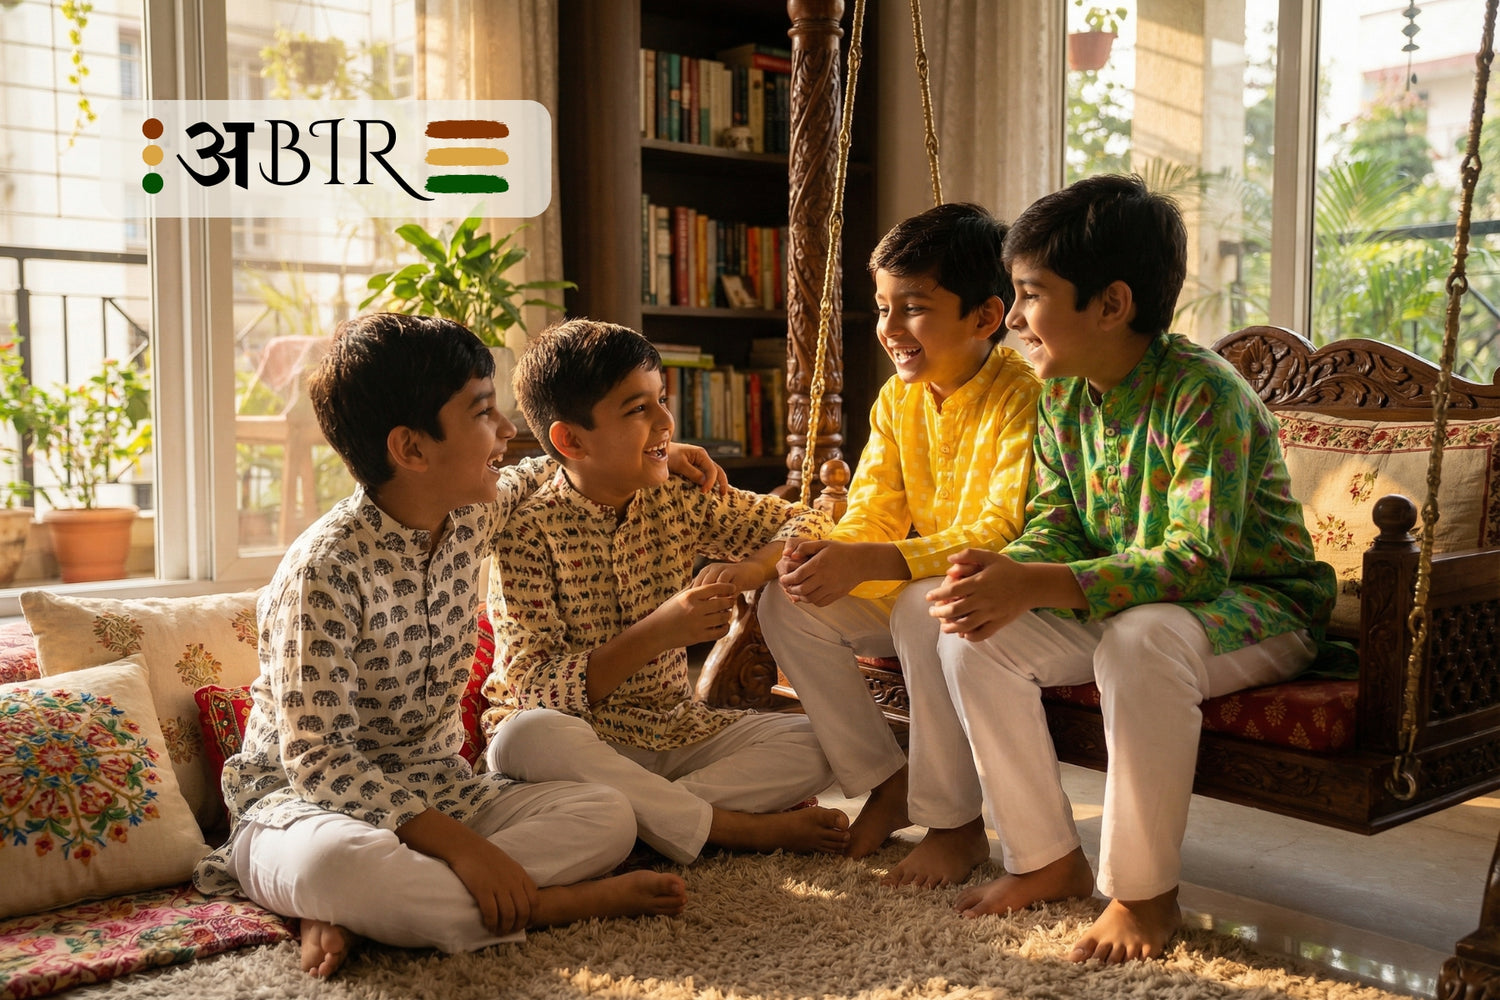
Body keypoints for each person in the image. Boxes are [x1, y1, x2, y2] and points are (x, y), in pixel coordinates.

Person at [193, 312, 730, 977]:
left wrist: (657, 454)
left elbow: (545, 471)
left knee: (609, 816)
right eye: (483, 412)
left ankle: (387, 912)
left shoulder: (473, 510)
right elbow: (318, 761)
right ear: (412, 449)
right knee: (342, 867)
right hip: (301, 810)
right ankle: (543, 906)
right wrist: (466, 851)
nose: (507, 430)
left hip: (441, 789)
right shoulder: (323, 573)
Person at [899, 174, 1336, 963]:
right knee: (973, 635)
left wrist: (1039, 582)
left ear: (1111, 305)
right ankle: (1045, 859)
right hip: (1128, 604)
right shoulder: (1063, 395)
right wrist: (1003, 572)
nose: (1020, 317)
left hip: (1259, 609)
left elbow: (1198, 561)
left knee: (1138, 643)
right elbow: (1058, 525)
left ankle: (1144, 894)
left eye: (1031, 294)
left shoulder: (1203, 394)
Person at [482, 318, 852, 866]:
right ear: (570, 440)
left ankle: (639, 825)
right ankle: (728, 828)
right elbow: (536, 691)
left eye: (662, 401)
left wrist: (751, 569)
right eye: (638, 409)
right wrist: (661, 632)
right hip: (576, 746)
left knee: (822, 744)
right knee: (524, 737)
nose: (666, 422)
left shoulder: (680, 497)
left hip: (673, 732)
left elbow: (810, 525)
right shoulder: (527, 530)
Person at [756, 202, 1042, 860]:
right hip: (917, 584)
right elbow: (874, 509)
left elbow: (1001, 528)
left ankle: (956, 823)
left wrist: (876, 559)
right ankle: (888, 779)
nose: (890, 328)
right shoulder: (898, 398)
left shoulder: (1025, 396)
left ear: (985, 318)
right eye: (883, 307)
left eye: (912, 307)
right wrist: (832, 556)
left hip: (988, 597)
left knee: (924, 603)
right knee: (789, 602)